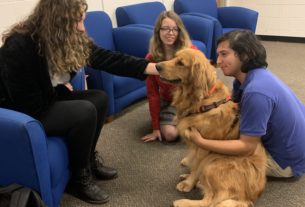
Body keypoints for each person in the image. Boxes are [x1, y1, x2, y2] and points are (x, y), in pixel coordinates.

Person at [0, 0, 158, 205]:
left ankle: (88, 160)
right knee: (84, 111)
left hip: (43, 98)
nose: (82, 27)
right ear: (58, 20)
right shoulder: (20, 45)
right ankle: (78, 178)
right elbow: (26, 101)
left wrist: (154, 68)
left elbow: (108, 58)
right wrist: (55, 90)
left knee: (99, 99)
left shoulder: (68, 39)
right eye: (77, 21)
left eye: (82, 20)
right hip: (22, 111)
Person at [186, 30, 305, 178]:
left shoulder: (256, 92)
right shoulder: (251, 76)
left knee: (211, 163)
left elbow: (246, 147)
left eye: (224, 54)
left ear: (245, 55)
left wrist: (201, 142)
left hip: (286, 163)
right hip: (292, 144)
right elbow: (233, 104)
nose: (218, 61)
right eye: (218, 55)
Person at [141, 11, 196, 143]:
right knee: (170, 135)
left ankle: (185, 120)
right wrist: (155, 128)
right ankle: (175, 120)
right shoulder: (151, 58)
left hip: (191, 100)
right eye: (165, 28)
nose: (170, 33)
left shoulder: (191, 52)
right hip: (170, 102)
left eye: (174, 29)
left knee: (206, 129)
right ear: (158, 31)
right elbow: (152, 93)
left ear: (179, 31)